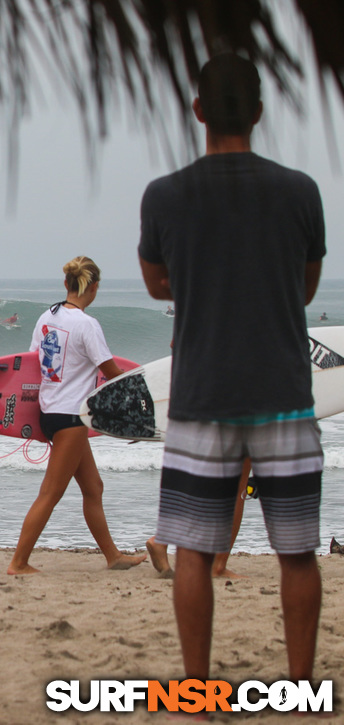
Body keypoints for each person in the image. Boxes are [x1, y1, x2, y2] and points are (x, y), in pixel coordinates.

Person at [139, 53, 325, 683]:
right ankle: (301, 687)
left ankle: (197, 686)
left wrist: (205, 281)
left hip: (200, 396)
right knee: (297, 554)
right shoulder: (300, 191)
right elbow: (304, 288)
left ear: (197, 111)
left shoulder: (165, 196)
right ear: (259, 112)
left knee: (193, 550)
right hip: (284, 395)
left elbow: (158, 284)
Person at [7, 257, 147, 575]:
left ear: (66, 284)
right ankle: (18, 562)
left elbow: (33, 362)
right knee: (50, 493)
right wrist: (143, 381)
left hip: (53, 412)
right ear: (93, 287)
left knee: (93, 487)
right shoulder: (86, 324)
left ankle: (113, 556)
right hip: (70, 417)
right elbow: (110, 371)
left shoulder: (47, 317)